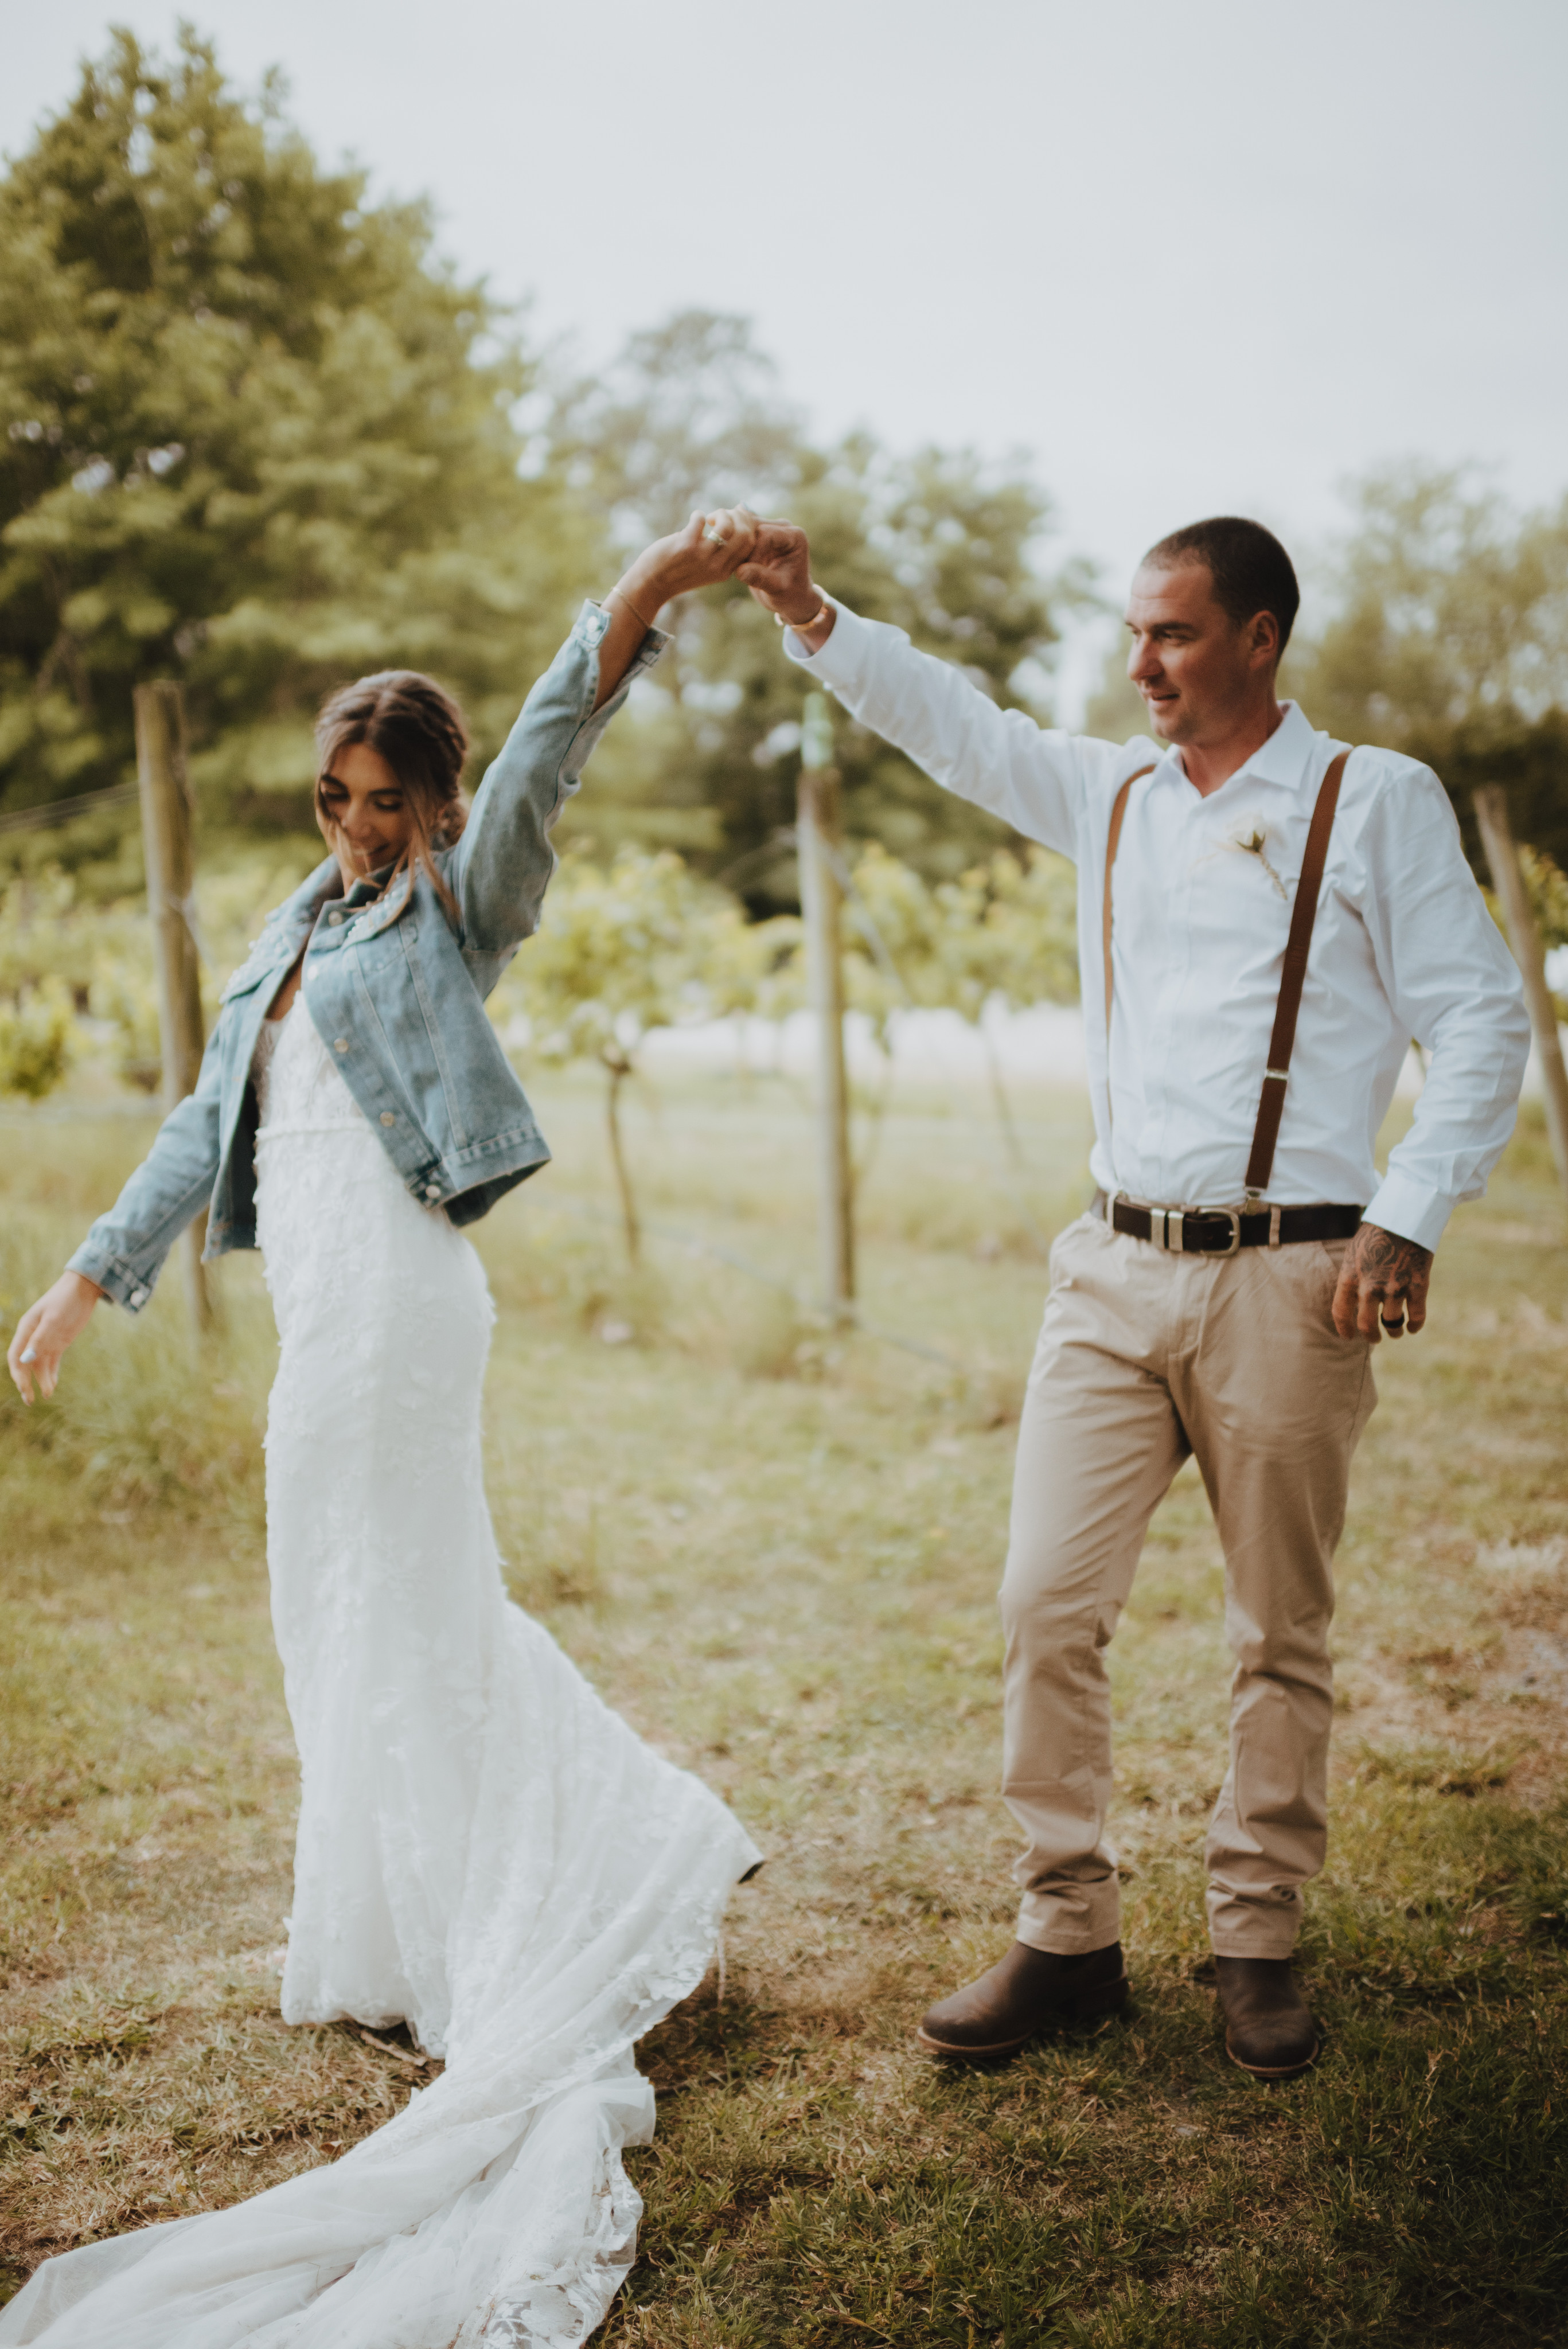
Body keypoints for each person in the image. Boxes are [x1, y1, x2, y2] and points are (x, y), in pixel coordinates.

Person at [2, 513, 767, 2348]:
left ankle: (549, 1898)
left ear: (426, 803)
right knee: (332, 1610)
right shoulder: (287, 933)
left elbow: (541, 752)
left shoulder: (458, 902)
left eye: (383, 795)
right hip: (314, 1315)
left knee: (408, 1605)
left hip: (408, 1317)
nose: (357, 820)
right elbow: (206, 1123)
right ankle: (405, 1924)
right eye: (337, 794)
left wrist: (647, 595)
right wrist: (86, 1279)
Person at [722, 505, 1530, 2077]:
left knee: (1276, 1624)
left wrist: (1409, 1219)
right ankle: (1067, 1933)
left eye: (1171, 632)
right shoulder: (1113, 799)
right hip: (1107, 1265)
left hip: (1294, 1275)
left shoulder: (1373, 802)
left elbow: (1482, 1026)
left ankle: (1257, 1939)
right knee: (1042, 1600)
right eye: (1134, 632)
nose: (1140, 662)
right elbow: (958, 727)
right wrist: (815, 616)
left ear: (1257, 639)